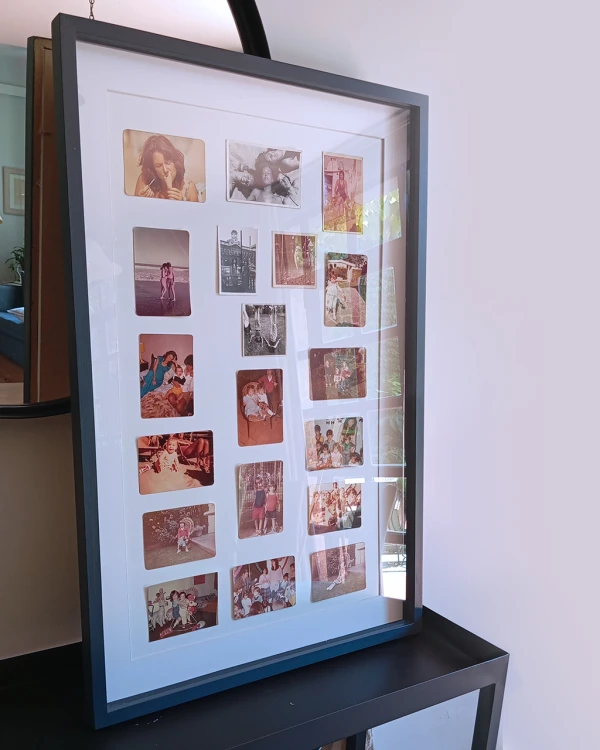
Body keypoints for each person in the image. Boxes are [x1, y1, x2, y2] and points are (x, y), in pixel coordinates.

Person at [134, 134, 200, 202]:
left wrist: (181, 204)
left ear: (175, 162)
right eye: (158, 165)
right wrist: (141, 201)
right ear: (153, 169)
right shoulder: (144, 180)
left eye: (168, 163)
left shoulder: (189, 188)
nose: (165, 170)